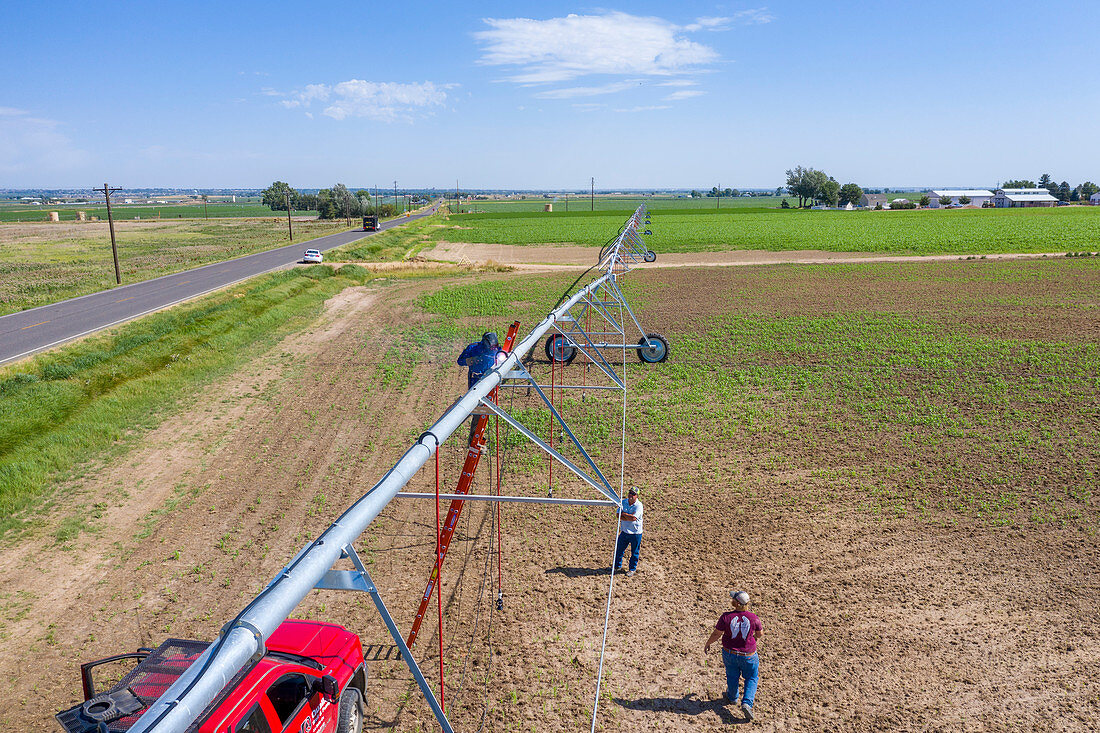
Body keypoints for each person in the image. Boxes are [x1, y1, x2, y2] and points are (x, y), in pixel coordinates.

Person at [705, 590, 763, 722]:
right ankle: (747, 703)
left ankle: (732, 697)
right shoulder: (754, 618)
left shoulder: (726, 617)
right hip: (748, 655)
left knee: (732, 675)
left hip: (729, 653)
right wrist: (753, 637)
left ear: (736, 603)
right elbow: (760, 634)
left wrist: (708, 643)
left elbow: (716, 634)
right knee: (752, 677)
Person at [457, 332, 501, 445]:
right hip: (475, 380)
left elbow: (502, 358)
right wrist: (471, 360)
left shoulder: (497, 349)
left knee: (484, 409)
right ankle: (473, 439)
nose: (493, 349)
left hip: (489, 380)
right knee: (477, 408)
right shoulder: (473, 348)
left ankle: (477, 436)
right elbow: (460, 361)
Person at [612, 487, 643, 576]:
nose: (630, 495)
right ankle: (617, 566)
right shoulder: (623, 502)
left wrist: (624, 514)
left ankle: (632, 569)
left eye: (633, 494)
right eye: (630, 493)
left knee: (634, 552)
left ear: (636, 496)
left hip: (635, 533)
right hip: (625, 531)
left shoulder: (639, 506)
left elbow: (634, 518)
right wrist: (627, 516)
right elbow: (618, 515)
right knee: (619, 550)